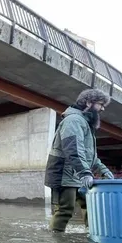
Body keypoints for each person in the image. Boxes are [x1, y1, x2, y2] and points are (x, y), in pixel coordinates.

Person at [44, 88, 114, 232]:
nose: (103, 108)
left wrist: (104, 170)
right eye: (100, 104)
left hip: (77, 174)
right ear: (88, 103)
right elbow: (73, 149)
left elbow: (89, 155)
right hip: (64, 173)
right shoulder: (74, 121)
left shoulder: (85, 123)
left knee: (91, 206)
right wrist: (85, 173)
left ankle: (95, 237)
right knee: (65, 210)